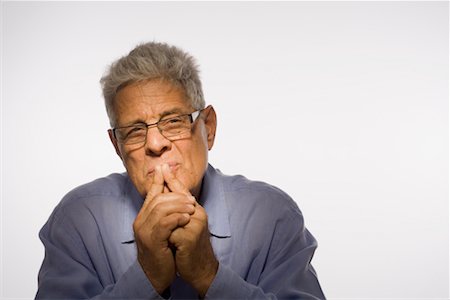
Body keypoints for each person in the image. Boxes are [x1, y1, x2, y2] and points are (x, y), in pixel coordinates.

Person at [36, 41, 325, 299]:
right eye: (135, 131)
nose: (155, 143)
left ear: (208, 127)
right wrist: (146, 276)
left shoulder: (272, 214)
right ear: (117, 147)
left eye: (174, 121)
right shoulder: (78, 220)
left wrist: (209, 275)